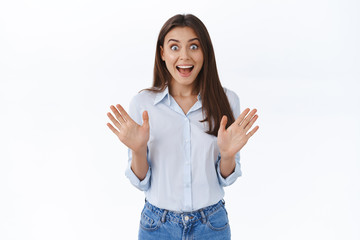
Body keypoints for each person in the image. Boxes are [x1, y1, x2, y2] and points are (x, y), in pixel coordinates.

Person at [106, 14, 259, 240]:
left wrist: (227, 155)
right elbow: (141, 181)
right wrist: (138, 149)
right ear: (163, 53)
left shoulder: (227, 101)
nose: (184, 56)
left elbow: (226, 177)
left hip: (212, 225)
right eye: (174, 47)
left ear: (205, 52)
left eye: (194, 46)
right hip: (158, 225)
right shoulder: (143, 104)